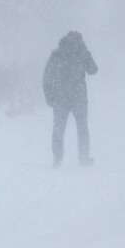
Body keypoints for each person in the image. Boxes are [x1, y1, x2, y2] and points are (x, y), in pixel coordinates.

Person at [42, 31, 99, 168]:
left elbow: (47, 76)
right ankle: (83, 158)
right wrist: (86, 52)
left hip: (61, 97)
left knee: (58, 129)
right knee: (82, 128)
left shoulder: (57, 54)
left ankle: (57, 159)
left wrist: (49, 96)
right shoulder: (82, 53)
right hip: (78, 97)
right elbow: (93, 70)